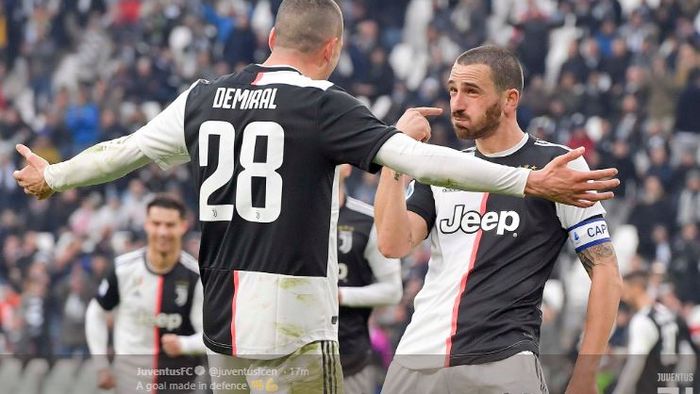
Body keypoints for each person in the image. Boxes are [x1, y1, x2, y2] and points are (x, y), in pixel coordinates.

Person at [14, 1, 619, 392]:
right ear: (329, 51)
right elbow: (416, 162)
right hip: (296, 323)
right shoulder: (323, 104)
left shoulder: (201, 95)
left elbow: (127, 150)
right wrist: (527, 180)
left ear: (274, 35)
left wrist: (56, 176)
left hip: (222, 320)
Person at [374, 45, 622, 394]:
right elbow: (392, 242)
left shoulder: (557, 167)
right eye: (453, 90)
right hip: (418, 357)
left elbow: (606, 272)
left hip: (502, 363)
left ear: (510, 99)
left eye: (472, 91)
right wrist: (395, 155)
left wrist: (585, 374)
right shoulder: (442, 169)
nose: (457, 104)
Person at [85, 195, 206, 394]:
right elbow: (95, 313)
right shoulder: (122, 269)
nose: (163, 232)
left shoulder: (196, 277)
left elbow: (210, 337)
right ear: (146, 224)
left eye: (170, 225)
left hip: (178, 384)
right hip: (129, 383)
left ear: (183, 226)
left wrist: (184, 344)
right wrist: (101, 365)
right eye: (156, 224)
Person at [336, 164, 402, 394]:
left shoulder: (367, 221)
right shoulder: (287, 220)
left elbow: (393, 291)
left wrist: (340, 295)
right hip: (292, 356)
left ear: (346, 167)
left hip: (350, 359)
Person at [613, 270, 697, 394]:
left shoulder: (642, 320)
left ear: (637, 288)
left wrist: (620, 391)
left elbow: (636, 362)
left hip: (649, 386)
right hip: (669, 385)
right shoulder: (664, 312)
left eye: (625, 288)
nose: (622, 294)